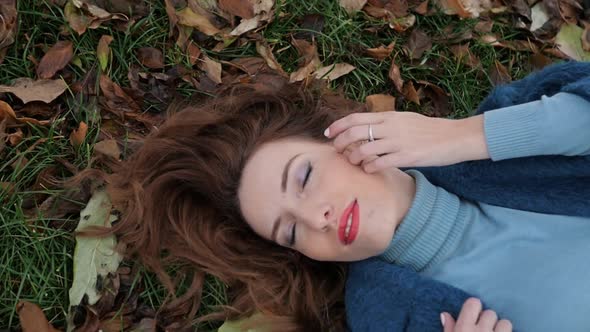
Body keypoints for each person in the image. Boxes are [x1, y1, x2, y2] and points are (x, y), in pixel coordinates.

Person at [82, 62, 590, 332]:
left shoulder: (504, 131)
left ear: (343, 137)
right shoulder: (390, 316)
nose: (315, 218)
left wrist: (464, 136)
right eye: (290, 230)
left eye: (303, 178)